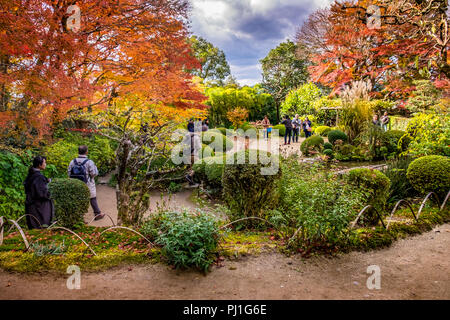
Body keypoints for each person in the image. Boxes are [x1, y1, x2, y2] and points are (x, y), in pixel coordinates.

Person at [68, 145, 105, 221]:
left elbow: (69, 173)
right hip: (87, 183)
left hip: (75, 184)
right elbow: (94, 173)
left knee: (78, 199)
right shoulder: (89, 162)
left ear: (78, 151)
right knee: (92, 198)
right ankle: (97, 214)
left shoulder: (72, 161)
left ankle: (78, 218)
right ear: (86, 152)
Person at [24, 156, 55, 229]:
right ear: (39, 165)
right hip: (38, 207)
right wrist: (50, 193)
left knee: (34, 227)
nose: (45, 164)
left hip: (31, 205)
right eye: (44, 162)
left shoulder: (31, 175)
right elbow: (41, 193)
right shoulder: (38, 177)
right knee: (40, 227)